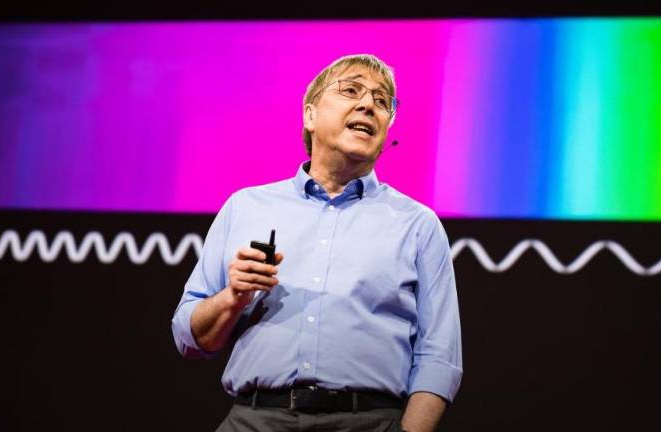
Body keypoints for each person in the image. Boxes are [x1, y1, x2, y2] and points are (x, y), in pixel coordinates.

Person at [171, 54, 462, 432]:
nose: (367, 105)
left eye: (382, 100)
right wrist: (233, 297)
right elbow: (190, 338)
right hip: (254, 420)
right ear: (309, 116)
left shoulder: (417, 225)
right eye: (352, 90)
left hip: (369, 422)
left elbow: (439, 357)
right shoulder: (245, 206)